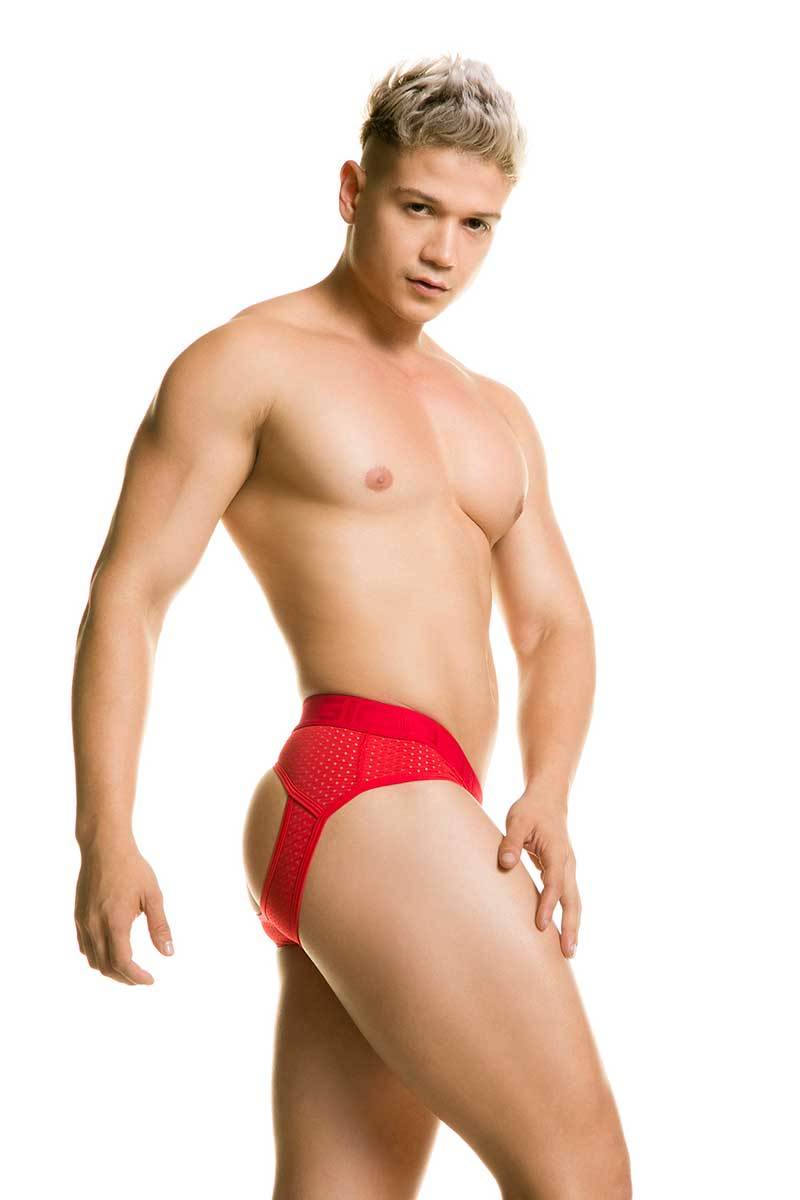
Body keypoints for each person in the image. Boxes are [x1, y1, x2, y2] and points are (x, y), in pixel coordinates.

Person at [72, 52, 632, 1200]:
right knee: (580, 1177)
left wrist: (547, 789)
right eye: (416, 208)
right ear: (351, 190)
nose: (441, 253)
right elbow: (129, 594)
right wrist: (105, 835)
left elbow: (552, 627)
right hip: (368, 787)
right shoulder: (250, 362)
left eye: (474, 225)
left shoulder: (493, 413)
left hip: (426, 812)